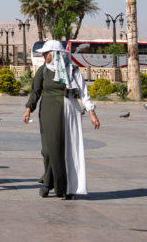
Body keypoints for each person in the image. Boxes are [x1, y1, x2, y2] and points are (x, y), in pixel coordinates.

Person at [22, 40, 100, 200]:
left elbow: (83, 92)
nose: (44, 55)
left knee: (69, 149)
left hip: (70, 111)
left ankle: (66, 187)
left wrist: (92, 112)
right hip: (49, 112)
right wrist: (28, 109)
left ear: (56, 54)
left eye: (46, 53)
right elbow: (35, 92)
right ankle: (49, 181)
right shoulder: (43, 71)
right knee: (49, 149)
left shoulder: (72, 70)